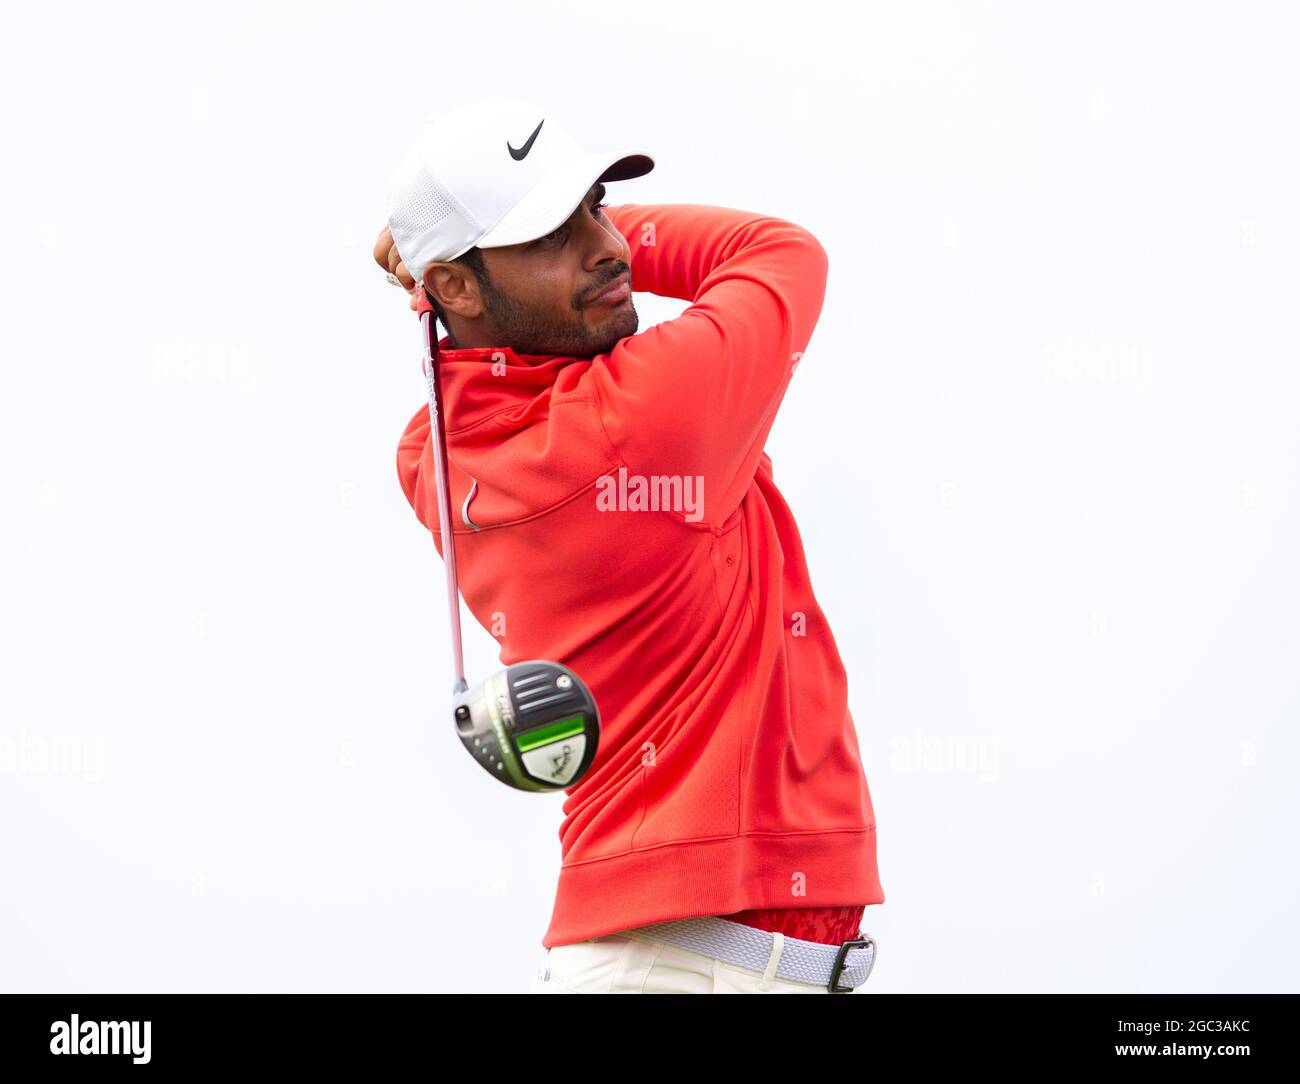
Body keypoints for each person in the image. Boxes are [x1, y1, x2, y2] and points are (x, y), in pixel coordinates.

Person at [376, 96, 884, 993]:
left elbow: (477, 352)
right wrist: (434, 264)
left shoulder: (432, 453)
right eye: (547, 233)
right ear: (457, 284)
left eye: (598, 207)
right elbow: (778, 251)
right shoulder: (648, 414)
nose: (608, 246)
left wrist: (447, 267)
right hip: (694, 967)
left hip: (659, 959)